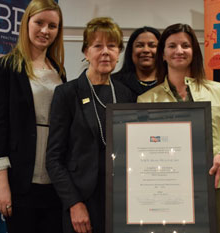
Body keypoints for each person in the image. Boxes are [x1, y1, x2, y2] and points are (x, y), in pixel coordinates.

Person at [137, 23, 220, 233]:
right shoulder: (146, 99)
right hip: (168, 187)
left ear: (194, 51)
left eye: (185, 45)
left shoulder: (219, 90)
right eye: (172, 46)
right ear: (163, 54)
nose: (179, 51)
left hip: (216, 183)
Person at [46, 17, 135, 233]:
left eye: (112, 46)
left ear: (119, 53)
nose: (105, 52)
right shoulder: (67, 93)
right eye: (98, 46)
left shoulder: (126, 94)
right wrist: (74, 204)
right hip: (81, 200)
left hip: (121, 200)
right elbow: (54, 158)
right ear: (86, 52)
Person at [0, 0, 66, 232]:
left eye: (52, 26)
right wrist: (1, 183)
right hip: (20, 181)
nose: (45, 31)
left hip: (55, 180)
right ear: (26, 23)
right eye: (39, 23)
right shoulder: (4, 67)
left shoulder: (59, 70)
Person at [112, 26, 160, 98]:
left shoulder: (171, 83)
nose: (146, 50)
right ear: (131, 51)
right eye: (139, 46)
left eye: (152, 46)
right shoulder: (114, 83)